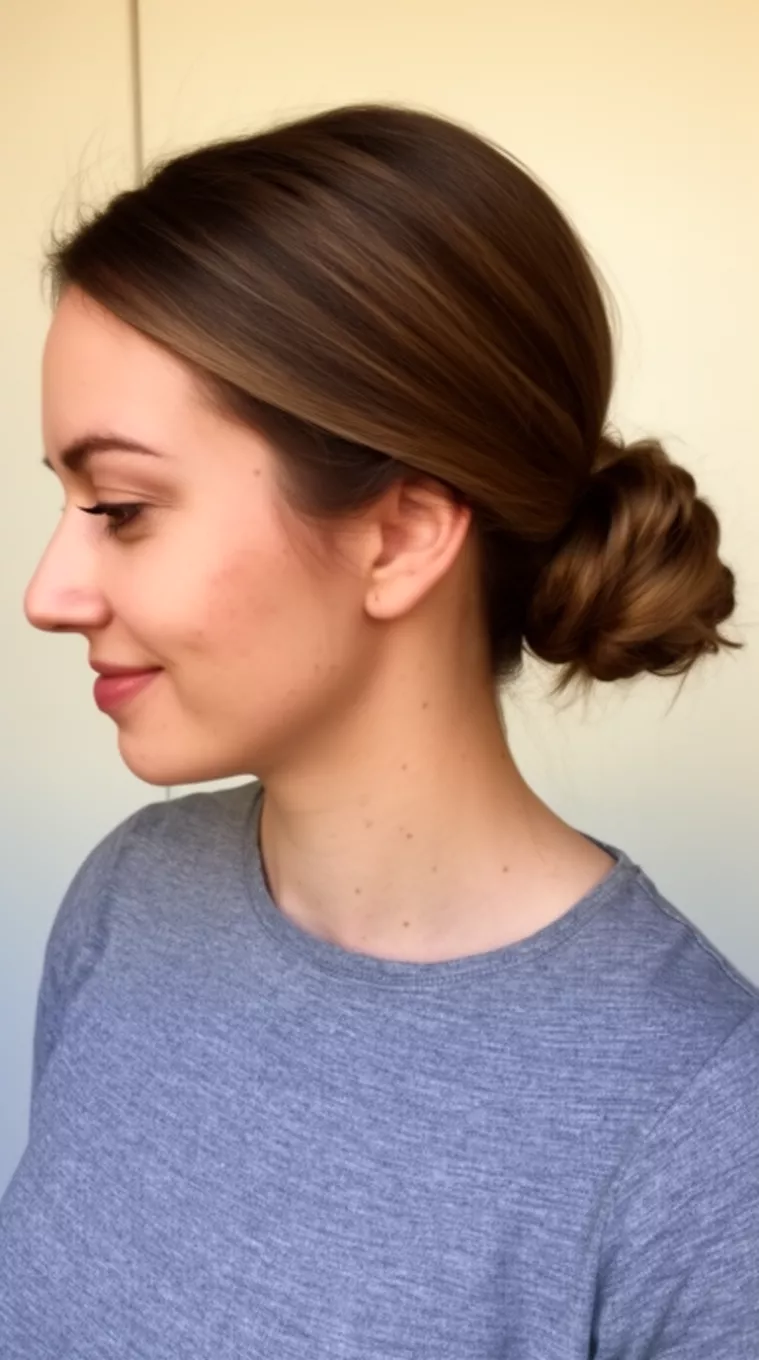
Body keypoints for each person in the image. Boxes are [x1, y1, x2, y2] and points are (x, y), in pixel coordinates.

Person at [0, 103, 756, 1359]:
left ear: (401, 535)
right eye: (67, 502)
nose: (47, 591)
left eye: (121, 506)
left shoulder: (701, 1138)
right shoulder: (127, 901)